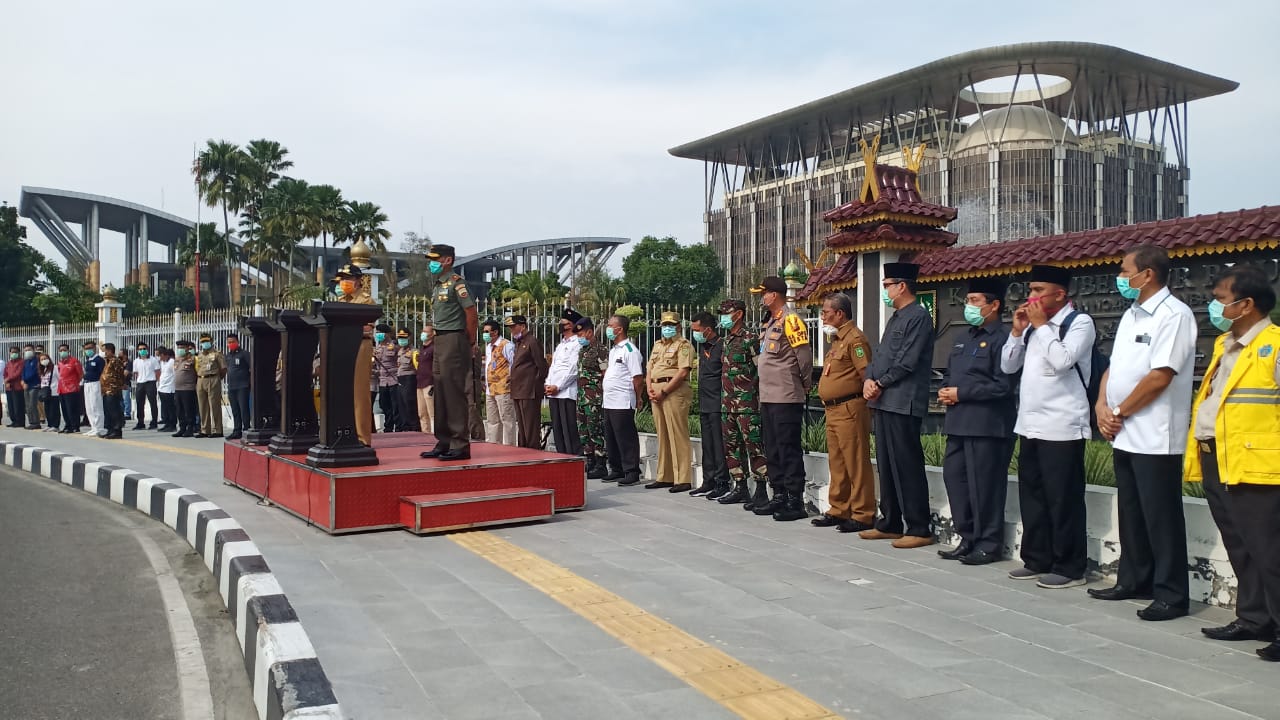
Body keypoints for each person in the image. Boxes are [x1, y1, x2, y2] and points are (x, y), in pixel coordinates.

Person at [1086, 246, 1197, 620]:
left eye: (1125, 271)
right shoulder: (1132, 313)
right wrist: (1103, 404)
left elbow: (1160, 377)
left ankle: (1171, 594)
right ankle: (1133, 579)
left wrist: (1118, 411)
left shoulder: (1174, 315)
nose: (1121, 278)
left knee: (1160, 514)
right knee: (1131, 510)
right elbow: (1114, 369)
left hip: (1154, 433)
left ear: (1147, 274)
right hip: (1124, 430)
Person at [1185, 264, 1280, 660]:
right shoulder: (1226, 344)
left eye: (1221, 299)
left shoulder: (1274, 344)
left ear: (1246, 305)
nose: (1214, 306)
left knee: (1269, 549)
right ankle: (1254, 618)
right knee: (1240, 545)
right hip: (1217, 455)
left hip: (1257, 463)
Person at [1000, 264, 1096, 589]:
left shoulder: (1078, 323)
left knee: (1063, 498)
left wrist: (1042, 327)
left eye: (1039, 290)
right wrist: (1017, 332)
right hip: (1030, 424)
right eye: (1031, 290)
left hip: (1063, 424)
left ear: (1060, 293)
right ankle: (1037, 558)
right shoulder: (1031, 327)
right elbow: (1008, 365)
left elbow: (1064, 360)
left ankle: (1070, 566)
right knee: (1033, 495)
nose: (1032, 297)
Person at [937, 277, 1017, 564]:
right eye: (968, 301)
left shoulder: (1004, 339)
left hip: (987, 425)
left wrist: (962, 393)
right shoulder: (963, 338)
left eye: (975, 301)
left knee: (985, 485)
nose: (968, 307)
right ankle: (967, 537)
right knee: (955, 479)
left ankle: (988, 543)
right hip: (958, 423)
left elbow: (1003, 385)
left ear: (994, 305)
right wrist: (946, 390)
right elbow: (950, 373)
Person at [859, 263, 937, 546]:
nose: (885, 290)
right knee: (887, 465)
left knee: (907, 464)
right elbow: (880, 355)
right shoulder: (896, 317)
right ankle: (890, 521)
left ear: (901, 285)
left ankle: (918, 527)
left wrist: (879, 383)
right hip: (884, 402)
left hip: (903, 401)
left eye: (887, 285)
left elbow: (908, 360)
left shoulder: (918, 317)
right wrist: (869, 378)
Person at [749, 276, 812, 522]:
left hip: (786, 395)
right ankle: (779, 495)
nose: (762, 298)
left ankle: (794, 500)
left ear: (774, 295)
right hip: (768, 396)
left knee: (788, 449)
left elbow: (804, 358)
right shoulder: (769, 322)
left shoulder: (792, 320)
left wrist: (803, 384)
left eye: (763, 294)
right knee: (772, 448)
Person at [812, 293, 877, 533]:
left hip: (850, 407)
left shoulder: (855, 340)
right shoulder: (837, 340)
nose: (823, 316)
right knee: (837, 462)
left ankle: (863, 513)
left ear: (840, 313)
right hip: (833, 409)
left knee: (856, 462)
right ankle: (839, 509)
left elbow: (865, 374)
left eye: (826, 312)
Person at [421, 244, 478, 461]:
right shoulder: (437, 285)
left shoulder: (457, 283)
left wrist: (470, 340)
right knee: (441, 390)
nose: (432, 263)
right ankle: (443, 440)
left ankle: (459, 443)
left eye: (436, 259)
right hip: (440, 338)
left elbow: (471, 313)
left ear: (448, 261)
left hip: (454, 337)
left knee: (453, 391)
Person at [714, 298, 769, 505]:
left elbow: (761, 370)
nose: (723, 317)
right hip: (727, 404)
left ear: (738, 314)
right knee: (732, 447)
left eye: (726, 313)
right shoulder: (726, 341)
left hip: (748, 405)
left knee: (754, 447)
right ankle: (740, 486)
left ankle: (762, 488)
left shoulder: (750, 339)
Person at [646, 311, 695, 492]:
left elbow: (683, 372)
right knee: (663, 434)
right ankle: (665, 476)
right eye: (665, 325)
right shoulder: (657, 345)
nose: (667, 328)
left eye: (671, 325)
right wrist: (649, 388)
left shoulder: (684, 345)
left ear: (678, 326)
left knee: (677, 433)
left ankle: (682, 478)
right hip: (656, 390)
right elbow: (650, 368)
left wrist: (664, 391)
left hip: (673, 390)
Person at [334, 263, 376, 446]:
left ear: (358, 281)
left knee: (359, 393)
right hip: (341, 346)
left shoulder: (365, 300)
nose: (344, 282)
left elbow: (367, 327)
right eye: (342, 279)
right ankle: (344, 431)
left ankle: (362, 437)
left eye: (348, 279)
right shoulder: (341, 301)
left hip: (360, 346)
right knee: (342, 392)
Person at [603, 314, 645, 486]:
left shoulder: (630, 350)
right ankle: (616, 468)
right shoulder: (613, 350)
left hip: (622, 399)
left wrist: (638, 397)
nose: (607, 328)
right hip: (609, 400)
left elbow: (637, 378)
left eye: (610, 325)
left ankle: (631, 471)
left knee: (625, 436)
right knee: (611, 435)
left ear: (619, 329)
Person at [688, 312, 728, 496]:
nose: (694, 333)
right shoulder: (703, 347)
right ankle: (708, 480)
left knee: (718, 445)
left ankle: (722, 482)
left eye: (697, 330)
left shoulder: (721, 346)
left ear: (708, 329)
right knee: (707, 445)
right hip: (704, 401)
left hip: (718, 403)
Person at [508, 315, 549, 450]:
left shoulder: (531, 341)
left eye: (514, 327)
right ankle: (523, 450)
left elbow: (541, 365)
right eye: (510, 328)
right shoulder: (520, 342)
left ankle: (532, 451)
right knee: (522, 425)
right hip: (518, 389)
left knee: (530, 425)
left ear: (523, 326)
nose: (512, 330)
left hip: (529, 389)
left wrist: (535, 383)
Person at [574, 317, 608, 479]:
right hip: (581, 397)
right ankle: (590, 461)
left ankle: (601, 463)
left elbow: (605, 374)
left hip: (594, 397)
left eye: (581, 334)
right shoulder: (583, 351)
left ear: (589, 332)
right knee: (583, 430)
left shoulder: (600, 349)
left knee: (595, 430)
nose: (579, 337)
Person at [545, 309, 583, 455]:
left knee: (569, 429)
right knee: (558, 428)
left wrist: (558, 386)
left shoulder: (577, 344)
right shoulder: (560, 345)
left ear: (572, 325)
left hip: (566, 392)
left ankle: (574, 458)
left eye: (565, 323)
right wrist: (548, 384)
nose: (561, 326)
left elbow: (573, 370)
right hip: (554, 393)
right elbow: (554, 367)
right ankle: (562, 457)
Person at [482, 319, 517, 445]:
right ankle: (493, 446)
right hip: (490, 389)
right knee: (492, 421)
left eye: (487, 331)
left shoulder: (506, 345)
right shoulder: (488, 347)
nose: (484, 334)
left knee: (507, 420)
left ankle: (509, 447)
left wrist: (510, 380)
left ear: (495, 332)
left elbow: (514, 364)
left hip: (503, 388)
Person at [195, 333, 227, 438]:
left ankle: (217, 429)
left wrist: (217, 379)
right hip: (201, 379)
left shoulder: (217, 354)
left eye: (206, 341)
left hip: (213, 379)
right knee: (202, 406)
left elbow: (223, 369)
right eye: (203, 342)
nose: (205, 343)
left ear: (211, 342)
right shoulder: (199, 355)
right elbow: (197, 368)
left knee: (214, 406)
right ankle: (205, 429)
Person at [222, 334, 251, 440]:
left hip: (242, 386)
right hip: (231, 386)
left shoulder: (244, 354)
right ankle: (237, 430)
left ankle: (247, 429)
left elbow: (251, 368)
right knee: (235, 410)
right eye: (229, 342)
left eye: (232, 342)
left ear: (238, 342)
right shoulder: (228, 356)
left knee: (244, 409)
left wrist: (249, 383)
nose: (231, 344)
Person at [373, 324, 400, 432]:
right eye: (377, 332)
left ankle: (396, 426)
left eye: (381, 332)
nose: (378, 334)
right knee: (384, 404)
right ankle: (388, 425)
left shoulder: (394, 346)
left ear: (387, 334)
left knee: (395, 405)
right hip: (382, 380)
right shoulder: (377, 348)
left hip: (393, 379)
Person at [99, 343, 126, 439]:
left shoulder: (116, 361)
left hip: (113, 389)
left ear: (110, 350)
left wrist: (121, 385)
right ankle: (110, 430)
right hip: (105, 390)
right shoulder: (107, 361)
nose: (104, 352)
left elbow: (120, 374)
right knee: (107, 411)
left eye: (105, 350)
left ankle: (117, 430)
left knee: (114, 411)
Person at [172, 341, 200, 438]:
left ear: (187, 348)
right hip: (178, 389)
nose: (180, 349)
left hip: (188, 388)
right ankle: (182, 428)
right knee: (179, 410)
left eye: (182, 347)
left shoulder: (193, 359)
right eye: (178, 347)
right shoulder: (177, 359)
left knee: (189, 410)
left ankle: (190, 428)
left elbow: (198, 372)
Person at [132, 342, 161, 430]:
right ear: (137, 351)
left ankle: (154, 422)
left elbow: (158, 372)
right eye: (140, 349)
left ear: (147, 349)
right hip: (140, 383)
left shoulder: (153, 360)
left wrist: (154, 381)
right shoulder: (136, 361)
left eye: (144, 349)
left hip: (150, 382)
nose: (142, 351)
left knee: (153, 403)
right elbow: (136, 373)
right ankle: (140, 422)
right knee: (139, 403)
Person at [394, 329, 419, 432]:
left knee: (409, 403)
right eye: (400, 338)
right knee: (401, 404)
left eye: (403, 338)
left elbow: (417, 367)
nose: (401, 340)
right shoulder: (400, 351)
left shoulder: (414, 351)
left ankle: (414, 426)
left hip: (409, 378)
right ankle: (405, 426)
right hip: (400, 378)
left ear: (409, 338)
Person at [55, 344, 83, 434]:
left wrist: (74, 383)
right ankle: (68, 425)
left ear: (68, 350)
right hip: (61, 389)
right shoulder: (60, 363)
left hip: (72, 389)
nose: (62, 352)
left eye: (64, 350)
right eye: (61, 350)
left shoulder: (74, 361)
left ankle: (75, 426)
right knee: (64, 409)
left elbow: (80, 374)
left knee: (72, 408)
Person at [81, 340, 105, 437]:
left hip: (96, 384)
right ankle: (93, 427)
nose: (88, 350)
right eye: (86, 349)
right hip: (87, 384)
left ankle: (99, 427)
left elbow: (102, 373)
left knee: (96, 406)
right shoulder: (87, 360)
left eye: (90, 348)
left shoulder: (99, 360)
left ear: (95, 348)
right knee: (89, 407)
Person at [414, 325, 435, 434]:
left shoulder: (434, 348)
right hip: (420, 383)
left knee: (432, 412)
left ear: (432, 334)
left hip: (429, 383)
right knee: (422, 413)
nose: (423, 333)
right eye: (423, 331)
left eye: (426, 331)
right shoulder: (422, 348)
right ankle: (425, 434)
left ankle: (434, 435)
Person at [37, 351, 60, 432]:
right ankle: (50, 424)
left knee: (54, 409)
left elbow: (59, 378)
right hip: (45, 392)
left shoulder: (55, 368)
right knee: (47, 409)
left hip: (54, 391)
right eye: (42, 359)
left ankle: (55, 425)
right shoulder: (43, 369)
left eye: (45, 358)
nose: (44, 360)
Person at [4, 345, 27, 428]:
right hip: (9, 387)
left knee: (18, 405)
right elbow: (5, 373)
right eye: (12, 352)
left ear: (19, 353)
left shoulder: (21, 362)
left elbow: (18, 373)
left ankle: (20, 421)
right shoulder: (9, 363)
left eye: (15, 352)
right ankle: (14, 421)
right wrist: (6, 381)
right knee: (11, 406)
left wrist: (8, 379)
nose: (13, 354)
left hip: (18, 387)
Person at [156, 346, 177, 433]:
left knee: (171, 408)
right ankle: (167, 423)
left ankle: (172, 425)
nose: (158, 358)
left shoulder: (172, 362)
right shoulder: (162, 363)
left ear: (164, 355)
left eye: (159, 355)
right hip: (162, 388)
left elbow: (175, 374)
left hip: (169, 389)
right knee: (165, 408)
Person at [22, 344, 41, 430]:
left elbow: (34, 373)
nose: (27, 352)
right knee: (27, 405)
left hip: (34, 385)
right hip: (26, 386)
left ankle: (36, 422)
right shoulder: (25, 362)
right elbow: (23, 372)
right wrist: (23, 381)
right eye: (25, 350)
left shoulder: (37, 360)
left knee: (33, 405)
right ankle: (31, 422)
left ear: (33, 350)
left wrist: (26, 381)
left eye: (29, 350)